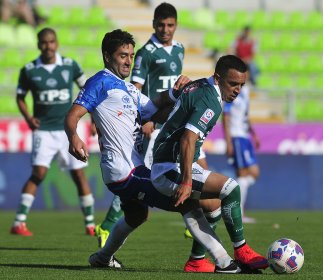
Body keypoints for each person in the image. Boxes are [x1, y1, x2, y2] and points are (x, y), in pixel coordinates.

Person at [64, 29, 244, 273]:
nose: (128, 60)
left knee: (138, 215)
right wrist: (74, 137)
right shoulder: (100, 82)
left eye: (131, 55)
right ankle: (224, 262)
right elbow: (73, 115)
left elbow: (154, 110)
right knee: (187, 202)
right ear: (107, 57)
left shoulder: (127, 89)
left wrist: (176, 91)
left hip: (134, 167)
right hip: (123, 169)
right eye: (122, 55)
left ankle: (102, 258)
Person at [94, 2, 214, 260]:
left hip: (173, 120)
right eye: (161, 24)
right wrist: (143, 117)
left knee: (194, 171)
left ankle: (202, 228)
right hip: (153, 123)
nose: (166, 29)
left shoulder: (180, 49)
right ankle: (108, 225)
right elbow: (134, 88)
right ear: (153, 24)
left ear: (176, 25)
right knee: (142, 179)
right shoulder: (146, 52)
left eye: (170, 25)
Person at [151, 55, 268, 272]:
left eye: (241, 85)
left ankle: (198, 261)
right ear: (218, 78)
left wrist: (151, 117)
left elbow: (174, 110)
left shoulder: (197, 86)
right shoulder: (211, 101)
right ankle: (241, 249)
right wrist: (186, 181)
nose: (237, 90)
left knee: (213, 205)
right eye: (232, 83)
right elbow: (188, 138)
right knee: (231, 188)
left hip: (169, 163)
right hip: (169, 168)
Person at [10, 27, 95, 236]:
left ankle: (90, 224)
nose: (48, 46)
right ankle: (19, 222)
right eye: (44, 43)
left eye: (51, 42)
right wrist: (29, 118)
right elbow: (20, 97)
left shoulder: (70, 65)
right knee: (38, 173)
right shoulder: (29, 69)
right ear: (39, 45)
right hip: (44, 131)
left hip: (69, 130)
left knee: (79, 175)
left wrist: (94, 119)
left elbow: (88, 90)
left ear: (56, 43)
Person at [222, 84, 260, 224]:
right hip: (236, 136)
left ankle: (233, 206)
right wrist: (228, 141)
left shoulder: (246, 91)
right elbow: (225, 116)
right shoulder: (232, 91)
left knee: (254, 172)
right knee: (243, 174)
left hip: (245, 137)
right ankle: (239, 213)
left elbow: (245, 115)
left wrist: (253, 134)